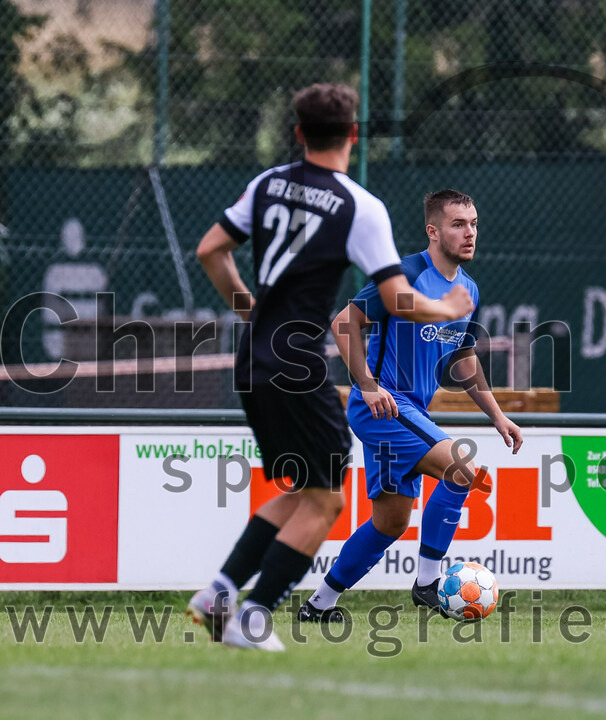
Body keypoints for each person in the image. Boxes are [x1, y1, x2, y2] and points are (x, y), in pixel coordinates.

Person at [189, 84, 475, 651]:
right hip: (297, 365)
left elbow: (209, 250)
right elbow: (395, 296)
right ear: (353, 134)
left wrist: (250, 308)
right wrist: (444, 306)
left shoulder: (266, 184)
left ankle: (219, 592)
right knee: (327, 501)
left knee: (307, 490)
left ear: (297, 134)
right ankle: (251, 618)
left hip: (255, 359)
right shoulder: (358, 205)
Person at [298, 189, 523, 622]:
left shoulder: (468, 289)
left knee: (390, 522)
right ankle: (426, 583)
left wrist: (497, 415)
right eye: (459, 224)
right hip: (383, 405)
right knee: (463, 469)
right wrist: (365, 383)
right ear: (432, 231)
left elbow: (463, 357)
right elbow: (344, 323)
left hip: (406, 412)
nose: (470, 232)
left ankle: (318, 605)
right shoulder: (404, 275)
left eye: (474, 223)